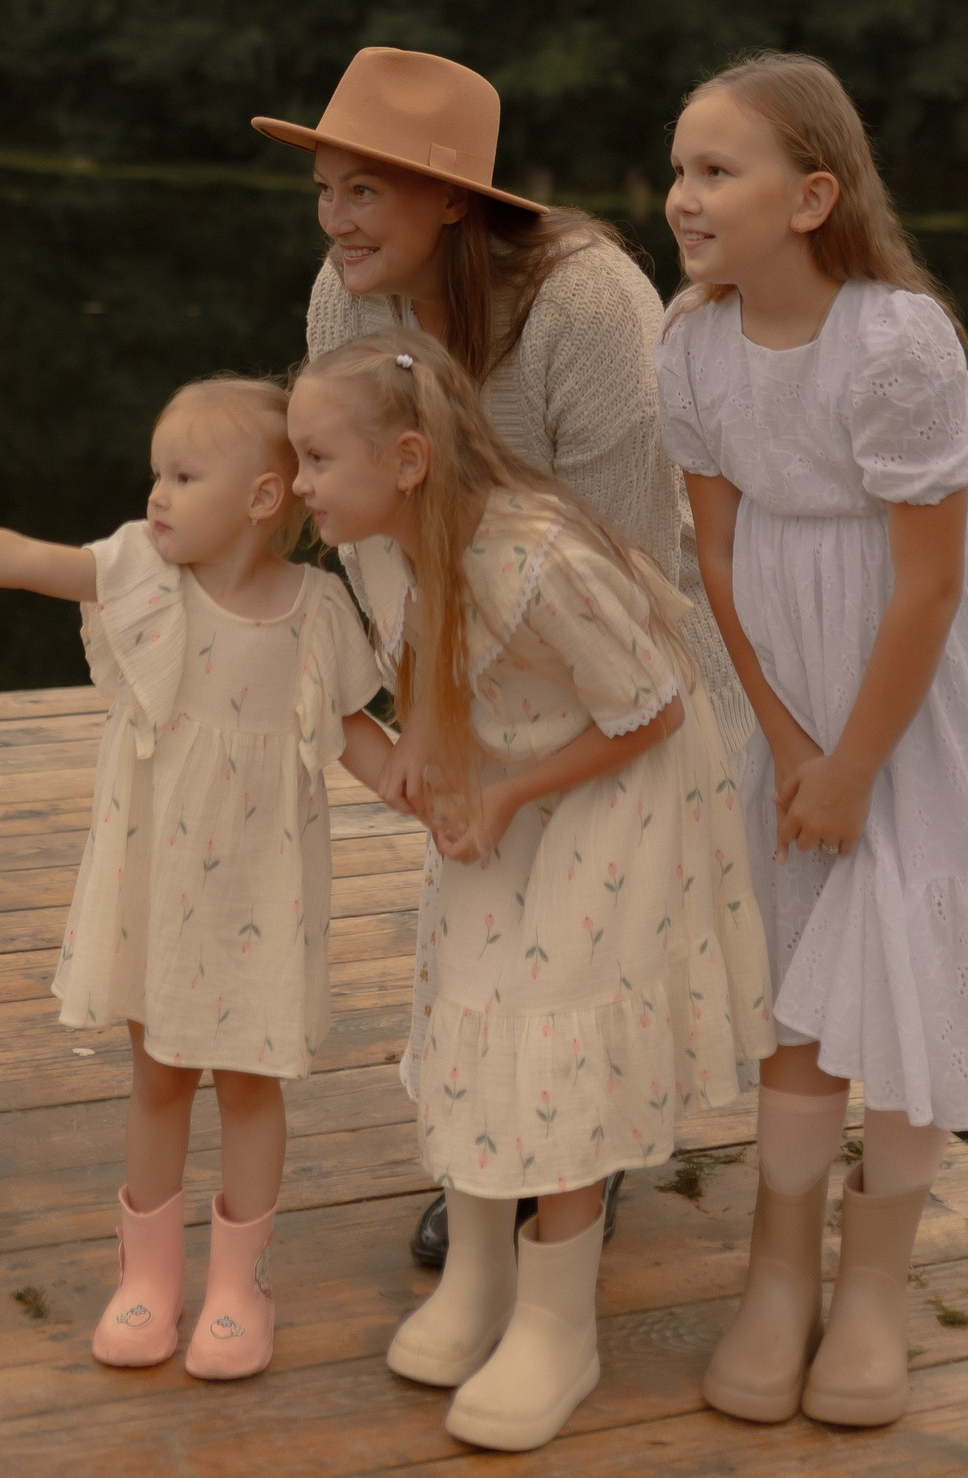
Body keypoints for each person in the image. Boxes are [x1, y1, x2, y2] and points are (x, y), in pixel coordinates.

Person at [654, 54, 968, 1429]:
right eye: (677, 171)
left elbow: (929, 584)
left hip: (929, 675)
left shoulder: (894, 343)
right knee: (805, 973)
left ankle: (872, 1288)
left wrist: (856, 763)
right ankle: (778, 1273)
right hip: (790, 660)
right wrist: (792, 743)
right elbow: (715, 557)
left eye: (715, 171)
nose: (683, 197)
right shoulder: (692, 343)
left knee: (908, 965)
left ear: (811, 198)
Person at [254, 44, 751, 1265]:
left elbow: (624, 558)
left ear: (450, 200)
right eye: (325, 192)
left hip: (615, 640)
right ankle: (492, 1158)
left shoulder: (592, 308)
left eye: (364, 191)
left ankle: (581, 1161)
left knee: (590, 927)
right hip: (463, 649)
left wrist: (522, 754)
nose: (335, 221)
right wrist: (426, 716)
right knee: (484, 923)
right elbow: (369, 530)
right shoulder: (346, 303)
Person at [0, 375, 389, 1382]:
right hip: (157, 887)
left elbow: (355, 731)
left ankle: (239, 1289)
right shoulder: (140, 577)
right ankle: (147, 1280)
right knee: (158, 1074)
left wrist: (441, 798)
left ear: (262, 497)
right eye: (156, 472)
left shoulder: (315, 612)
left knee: (250, 1084)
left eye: (184, 476)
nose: (156, 494)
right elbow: (20, 557)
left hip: (257, 896)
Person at [286, 328, 774, 1454]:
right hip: (512, 776)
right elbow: (431, 664)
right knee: (468, 1003)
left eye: (316, 459)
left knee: (559, 1036)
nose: (299, 482)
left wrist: (508, 796)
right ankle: (480, 1276)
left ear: (408, 460)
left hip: (614, 786)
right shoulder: (384, 545)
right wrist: (430, 758)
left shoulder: (537, 558)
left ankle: (560, 1328)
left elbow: (651, 708)